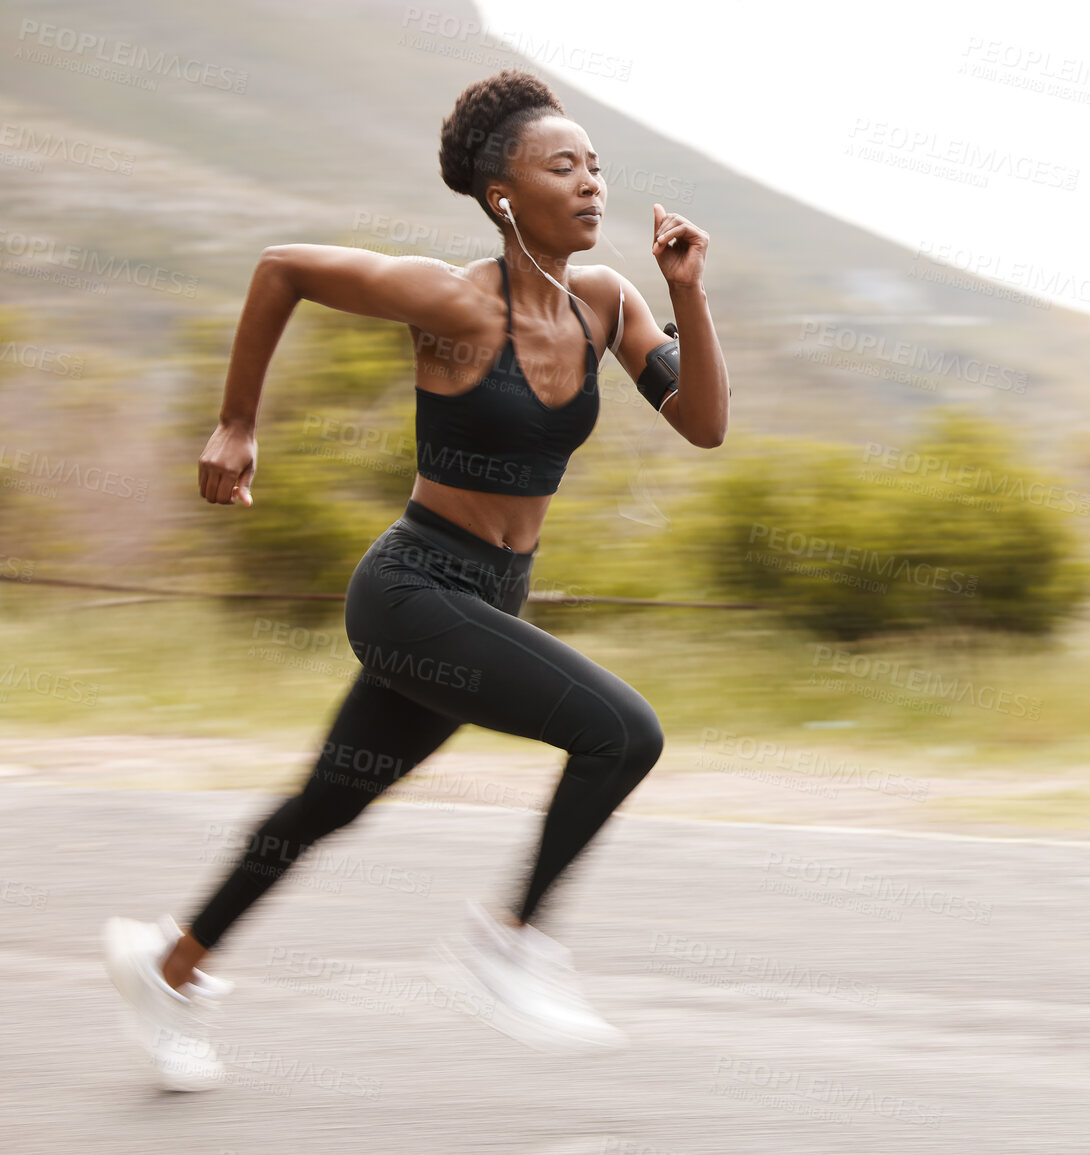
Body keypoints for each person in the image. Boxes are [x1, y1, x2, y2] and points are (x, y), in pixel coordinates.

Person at [101, 67, 728, 1091]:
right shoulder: (450, 302)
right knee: (622, 734)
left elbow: (703, 422)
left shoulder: (606, 305)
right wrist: (237, 422)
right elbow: (282, 268)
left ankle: (167, 970)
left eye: (596, 166)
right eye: (561, 165)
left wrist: (689, 294)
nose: (590, 184)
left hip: (486, 600)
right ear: (503, 196)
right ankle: (509, 940)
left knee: (326, 806)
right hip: (414, 591)